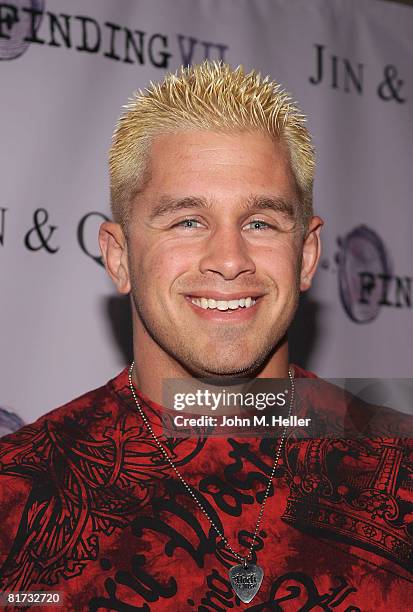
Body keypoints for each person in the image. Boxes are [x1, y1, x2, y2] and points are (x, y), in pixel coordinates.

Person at [0, 62, 411, 610]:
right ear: (119, 257)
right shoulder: (14, 494)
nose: (229, 261)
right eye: (187, 221)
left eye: (261, 222)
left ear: (307, 255)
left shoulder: (401, 465)